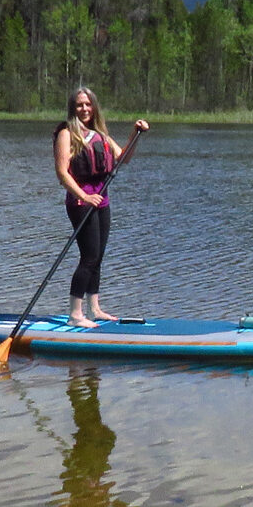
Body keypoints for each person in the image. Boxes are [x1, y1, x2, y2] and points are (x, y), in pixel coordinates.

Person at [53, 87, 149, 327]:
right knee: (89, 257)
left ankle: (94, 308)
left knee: (98, 257)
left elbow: (123, 158)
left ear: (94, 107)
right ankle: (76, 313)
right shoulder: (67, 133)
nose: (84, 109)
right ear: (73, 108)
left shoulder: (100, 135)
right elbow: (62, 173)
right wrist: (84, 197)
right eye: (79, 105)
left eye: (88, 104)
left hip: (102, 201)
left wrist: (134, 134)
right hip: (80, 202)